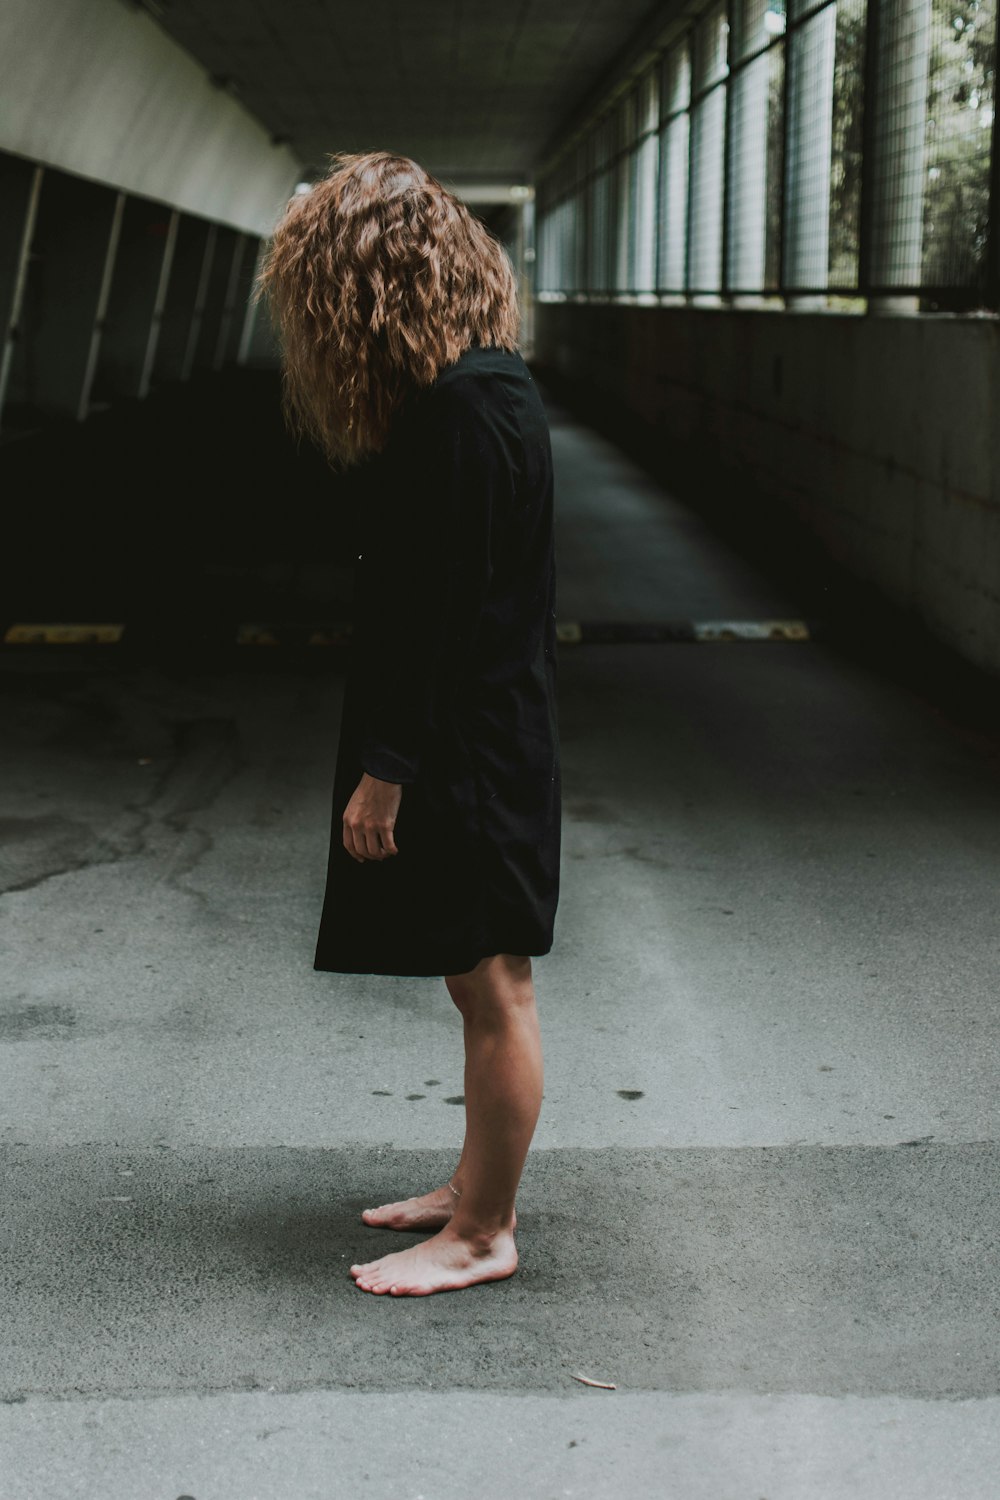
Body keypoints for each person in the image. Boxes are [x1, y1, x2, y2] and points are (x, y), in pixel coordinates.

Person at [258, 152, 561, 1297]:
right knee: (470, 972)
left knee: (493, 985)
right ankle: (473, 1188)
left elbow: (441, 612)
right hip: (481, 737)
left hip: (467, 750)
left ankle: (483, 1233)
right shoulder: (489, 387)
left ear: (370, 283)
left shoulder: (460, 413)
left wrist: (388, 772)